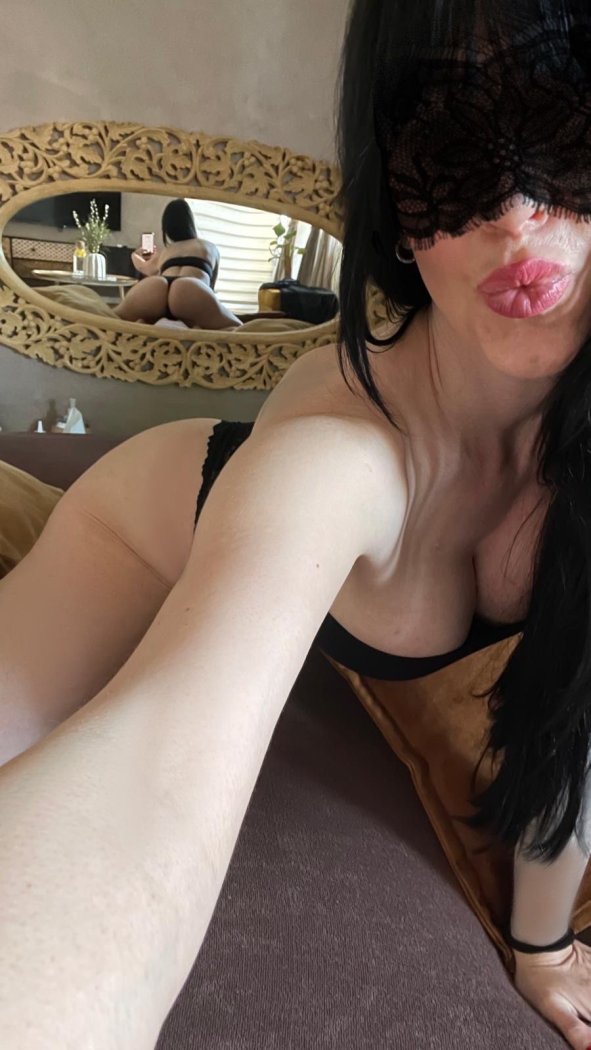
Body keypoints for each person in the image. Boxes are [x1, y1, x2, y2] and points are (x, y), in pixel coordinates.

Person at [2, 1, 591, 1046]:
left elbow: (572, 726)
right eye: (449, 153)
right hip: (138, 534)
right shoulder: (340, 451)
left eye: (568, 127)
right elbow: (156, 766)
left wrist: (540, 949)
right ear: (395, 206)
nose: (514, 213)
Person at [114, 197, 243, 328]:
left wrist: (134, 254)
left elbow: (143, 267)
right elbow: (210, 288)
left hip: (157, 287)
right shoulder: (209, 247)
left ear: (166, 228)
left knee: (111, 320)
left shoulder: (167, 251)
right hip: (190, 289)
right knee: (239, 328)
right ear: (190, 222)